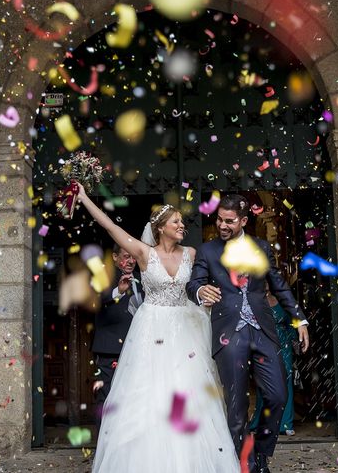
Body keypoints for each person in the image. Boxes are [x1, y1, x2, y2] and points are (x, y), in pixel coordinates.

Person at [74, 183, 239, 473]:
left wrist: (205, 294)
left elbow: (200, 282)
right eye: (176, 221)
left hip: (186, 330)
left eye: (182, 221)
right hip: (151, 330)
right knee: (150, 394)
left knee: (189, 394)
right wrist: (85, 198)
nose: (182, 225)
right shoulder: (143, 253)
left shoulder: (190, 252)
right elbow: (110, 226)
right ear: (161, 227)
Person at [186, 194, 309, 473]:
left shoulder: (262, 247)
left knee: (278, 395)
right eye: (219, 219)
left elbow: (278, 285)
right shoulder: (207, 251)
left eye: (229, 221)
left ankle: (262, 450)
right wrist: (199, 290)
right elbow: (193, 283)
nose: (222, 225)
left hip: (262, 329)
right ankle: (249, 464)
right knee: (236, 405)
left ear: (243, 221)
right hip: (229, 331)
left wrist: (299, 319)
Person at [91, 244, 143, 416]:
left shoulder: (141, 278)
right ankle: (103, 443)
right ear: (115, 257)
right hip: (110, 349)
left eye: (133, 257)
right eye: (126, 256)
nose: (131, 261)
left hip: (137, 349)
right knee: (106, 398)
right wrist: (117, 292)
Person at [248, 291, 296, 437]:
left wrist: (295, 340)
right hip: (264, 344)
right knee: (265, 381)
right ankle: (263, 422)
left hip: (284, 345)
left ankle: (286, 423)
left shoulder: (281, 300)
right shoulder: (253, 301)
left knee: (286, 380)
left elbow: (290, 323)